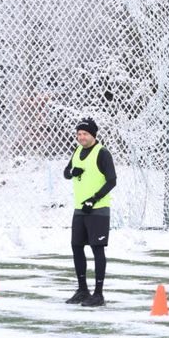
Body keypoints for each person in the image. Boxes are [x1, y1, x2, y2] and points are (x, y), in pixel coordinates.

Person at [64, 117, 116, 307]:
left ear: (93, 135)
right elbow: (66, 172)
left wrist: (93, 200)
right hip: (79, 209)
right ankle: (82, 290)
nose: (81, 137)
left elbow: (112, 181)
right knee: (76, 247)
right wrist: (72, 173)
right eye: (79, 134)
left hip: (98, 210)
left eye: (85, 134)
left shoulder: (102, 153)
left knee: (97, 249)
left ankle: (98, 294)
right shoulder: (77, 151)